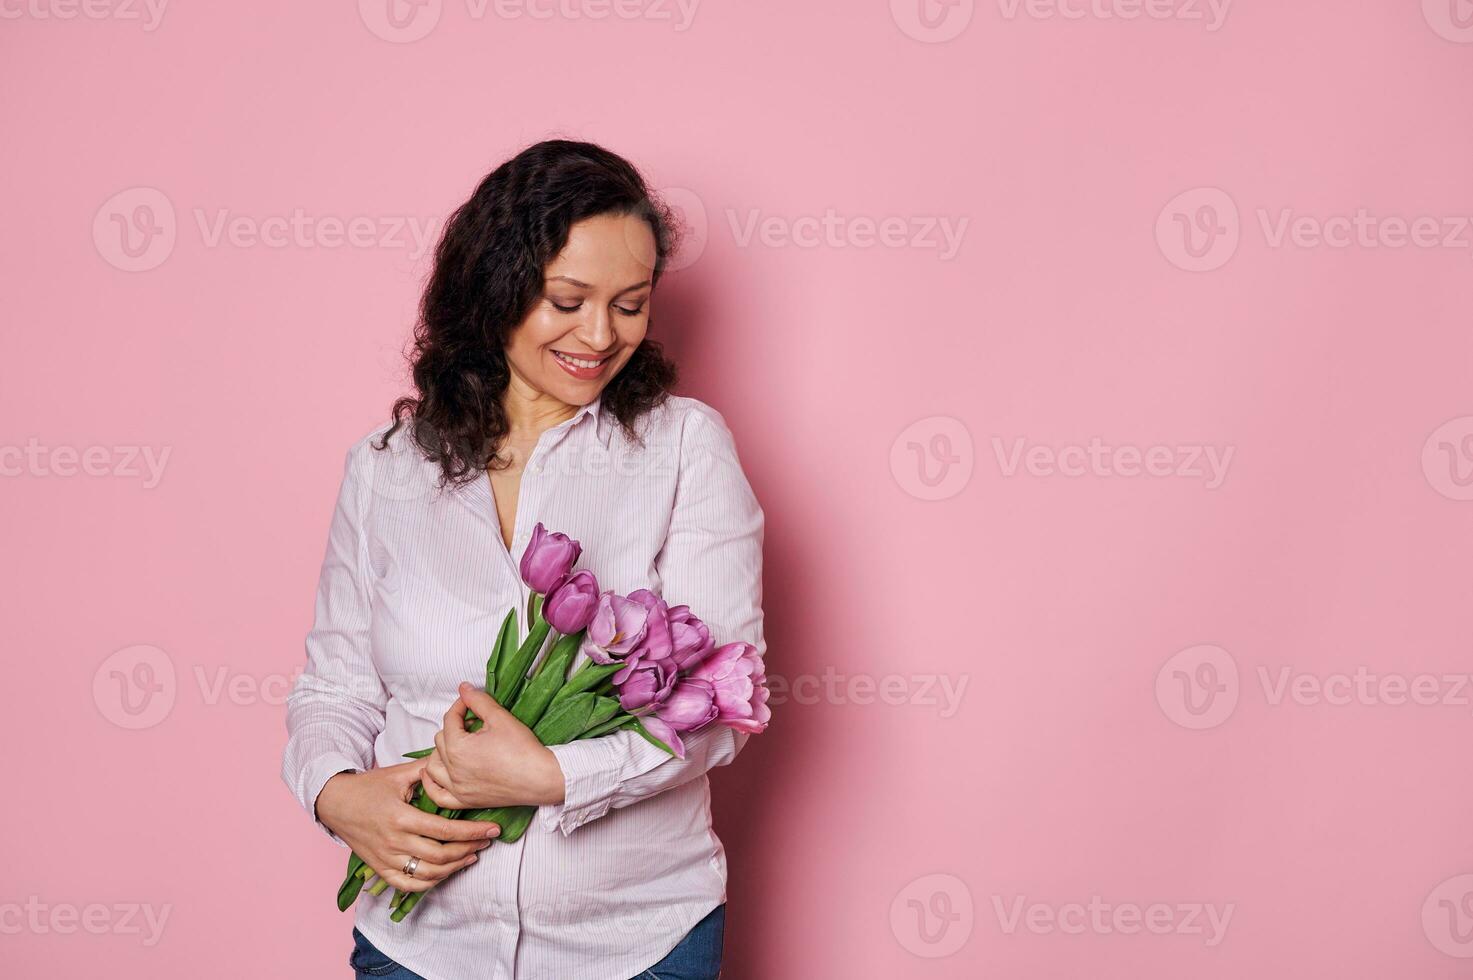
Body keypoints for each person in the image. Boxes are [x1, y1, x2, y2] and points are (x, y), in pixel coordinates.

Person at [281, 139, 765, 980]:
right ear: (494, 289)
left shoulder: (684, 447)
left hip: (638, 943)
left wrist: (552, 774)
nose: (600, 335)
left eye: (630, 303)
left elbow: (717, 702)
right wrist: (335, 794)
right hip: (420, 943)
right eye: (567, 299)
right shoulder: (386, 467)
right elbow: (335, 688)